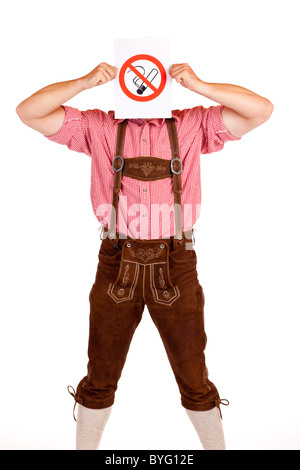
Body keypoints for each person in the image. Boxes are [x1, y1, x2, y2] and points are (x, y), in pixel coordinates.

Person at [16, 61, 273, 450]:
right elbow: (28, 112)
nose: (142, 88)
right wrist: (85, 82)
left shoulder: (191, 125)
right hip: (117, 260)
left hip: (176, 262)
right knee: (100, 372)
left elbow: (261, 110)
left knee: (193, 374)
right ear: (122, 84)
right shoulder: (99, 127)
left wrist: (199, 85)